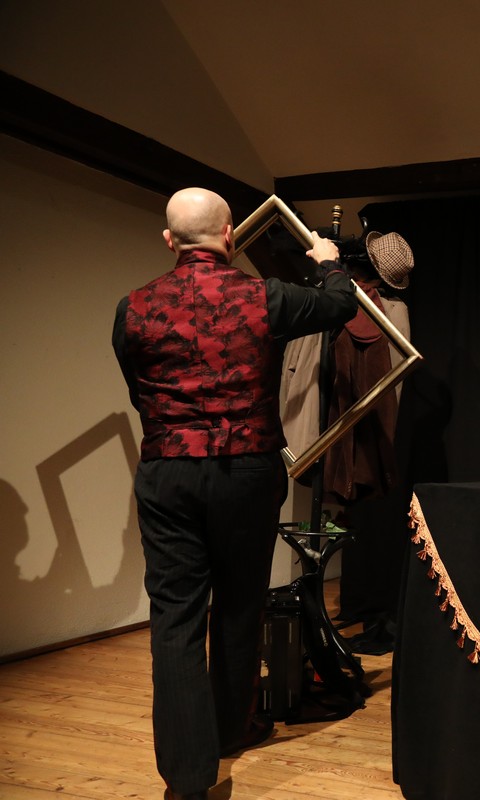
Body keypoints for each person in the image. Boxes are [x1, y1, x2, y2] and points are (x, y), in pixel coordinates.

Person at [112, 188, 358, 800]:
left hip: (168, 469)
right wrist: (328, 261)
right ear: (228, 235)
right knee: (240, 604)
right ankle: (228, 730)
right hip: (247, 471)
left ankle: (187, 778)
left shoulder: (132, 307)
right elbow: (339, 304)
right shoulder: (265, 296)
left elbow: (138, 390)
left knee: (175, 617)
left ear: (169, 240)